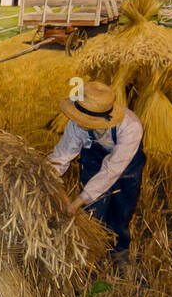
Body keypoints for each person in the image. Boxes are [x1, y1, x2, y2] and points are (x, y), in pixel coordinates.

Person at [48, 81, 146, 260]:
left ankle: (120, 252)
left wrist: (77, 202)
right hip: (93, 158)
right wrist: (44, 176)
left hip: (126, 165)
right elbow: (62, 155)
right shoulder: (76, 124)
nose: (78, 121)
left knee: (122, 210)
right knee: (92, 213)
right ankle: (91, 257)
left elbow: (112, 170)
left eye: (85, 120)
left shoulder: (131, 127)